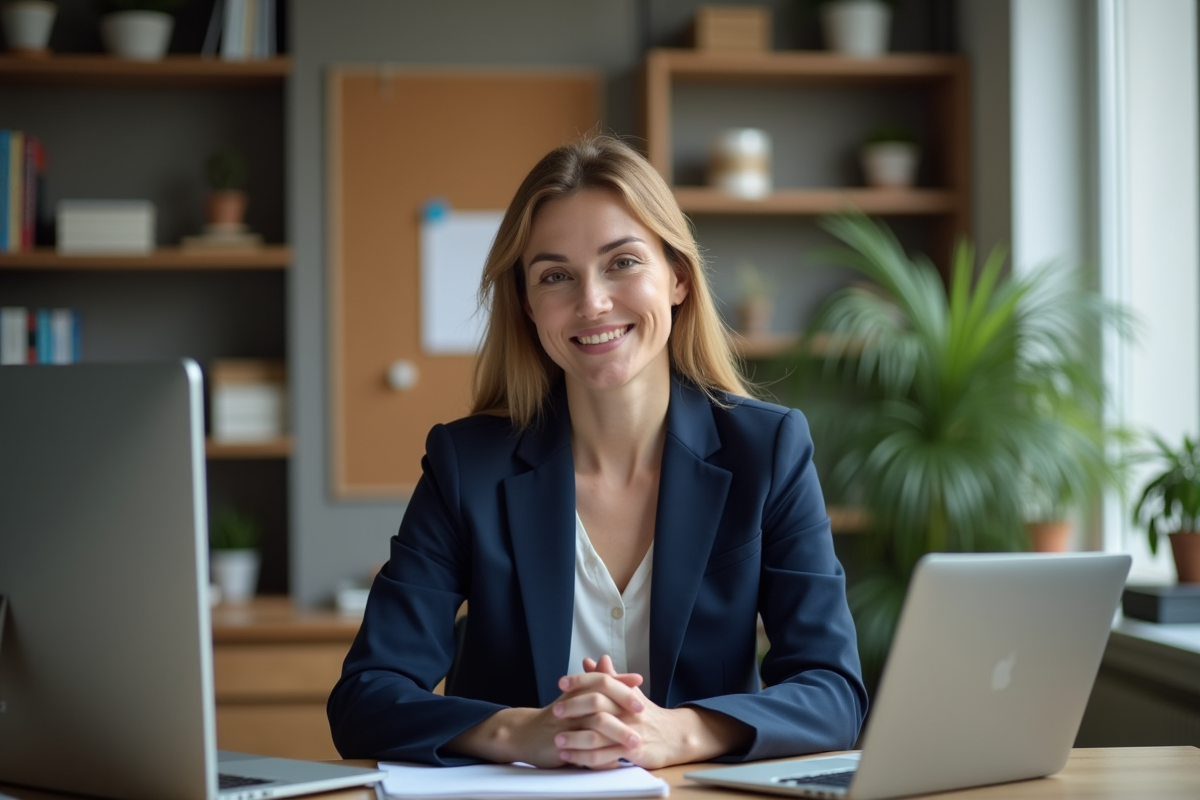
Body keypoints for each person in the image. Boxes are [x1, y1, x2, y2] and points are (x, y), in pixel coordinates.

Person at [327, 134, 867, 770]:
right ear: (528, 306)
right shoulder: (465, 465)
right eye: (556, 275)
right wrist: (523, 733)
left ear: (679, 279)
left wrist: (682, 734)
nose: (592, 302)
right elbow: (365, 699)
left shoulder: (768, 451)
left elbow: (834, 693)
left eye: (623, 262)